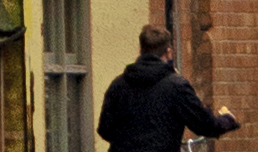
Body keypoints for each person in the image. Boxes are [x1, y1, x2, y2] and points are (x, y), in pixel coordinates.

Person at [99, 28, 237, 152]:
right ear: (169, 52)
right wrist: (227, 120)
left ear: (140, 50)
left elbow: (105, 130)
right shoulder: (177, 86)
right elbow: (204, 125)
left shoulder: (118, 85)